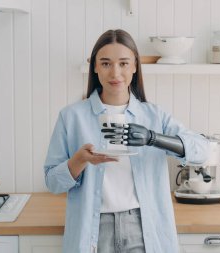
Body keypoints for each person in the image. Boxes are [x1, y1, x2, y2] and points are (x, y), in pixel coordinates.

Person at [44, 29, 209, 253]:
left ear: (134, 66)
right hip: (93, 230)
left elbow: (202, 150)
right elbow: (52, 183)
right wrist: (78, 161)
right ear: (94, 67)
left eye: (123, 63)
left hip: (143, 228)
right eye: (105, 63)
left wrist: (153, 138)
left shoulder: (154, 116)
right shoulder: (71, 117)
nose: (115, 72)